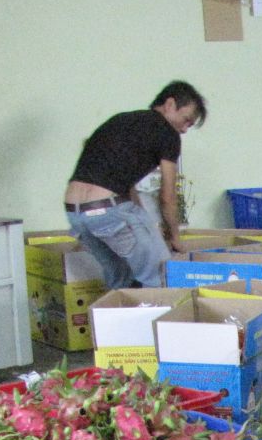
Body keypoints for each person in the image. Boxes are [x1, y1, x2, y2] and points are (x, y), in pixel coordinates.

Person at [63, 80, 206, 289]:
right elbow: (168, 196)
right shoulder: (167, 133)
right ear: (169, 104)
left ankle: (113, 318)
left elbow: (121, 181)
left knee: (120, 280)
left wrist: (144, 221)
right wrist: (174, 236)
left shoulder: (120, 121)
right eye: (186, 121)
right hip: (109, 211)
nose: (184, 129)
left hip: (76, 214)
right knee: (161, 278)